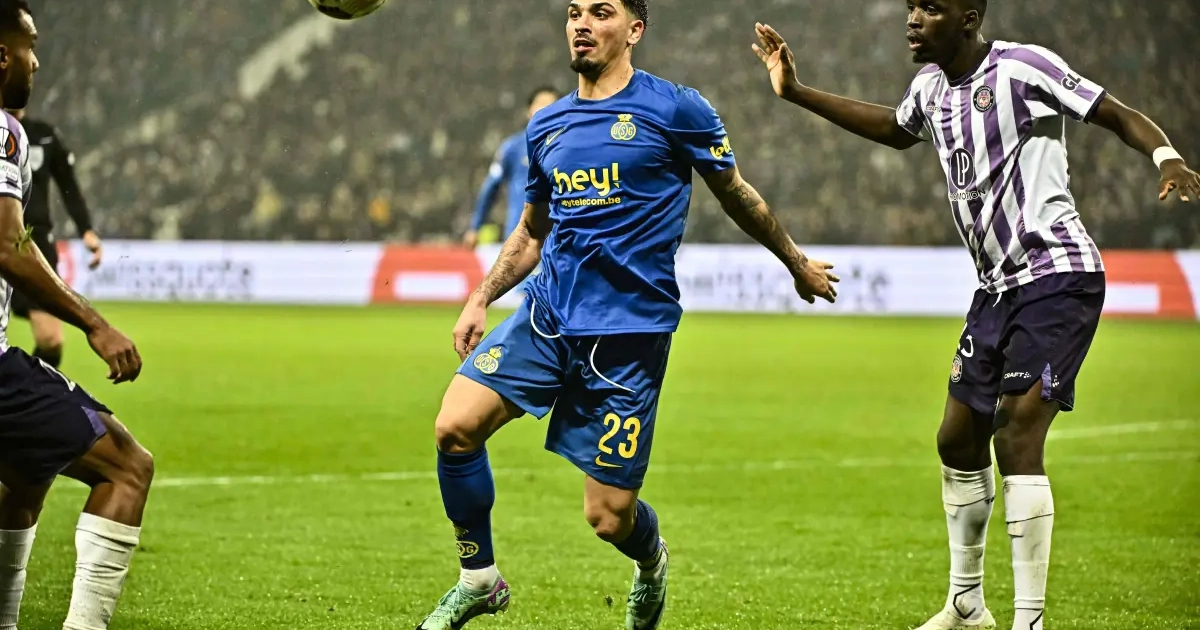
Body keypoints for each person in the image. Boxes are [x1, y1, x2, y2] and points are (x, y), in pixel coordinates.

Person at [750, 1, 1200, 629]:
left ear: (968, 18)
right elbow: (893, 128)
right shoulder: (929, 88)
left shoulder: (1023, 68)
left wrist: (1166, 157)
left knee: (1016, 433)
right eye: (911, 7)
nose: (913, 19)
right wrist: (796, 92)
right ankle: (966, 605)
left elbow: (1115, 112)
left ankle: (1029, 622)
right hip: (996, 288)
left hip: (1057, 274)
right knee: (957, 439)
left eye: (930, 8)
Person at [416, 2, 839, 629]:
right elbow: (532, 231)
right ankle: (478, 578)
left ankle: (651, 561)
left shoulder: (676, 109)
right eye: (574, 13)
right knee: (454, 426)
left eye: (601, 12)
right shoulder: (547, 125)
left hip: (628, 338)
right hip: (548, 318)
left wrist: (796, 262)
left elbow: (735, 193)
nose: (582, 24)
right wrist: (482, 295)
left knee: (609, 518)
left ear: (635, 29)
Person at [0, 2, 155, 629]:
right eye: (30, 46)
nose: (37, 62)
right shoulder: (5, 130)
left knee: (28, 470)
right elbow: (9, 244)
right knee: (127, 467)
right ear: (2, 55)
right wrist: (95, 322)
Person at [4, 106, 103, 369]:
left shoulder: (44, 135)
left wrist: (86, 229)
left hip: (33, 242)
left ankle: (24, 390)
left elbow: (68, 184)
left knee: (51, 340)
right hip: (2, 236)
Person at [463, 86, 560, 249]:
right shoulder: (512, 148)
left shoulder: (570, 148)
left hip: (558, 238)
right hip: (520, 238)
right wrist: (475, 226)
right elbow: (490, 187)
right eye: (540, 103)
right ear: (528, 110)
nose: (545, 109)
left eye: (552, 105)